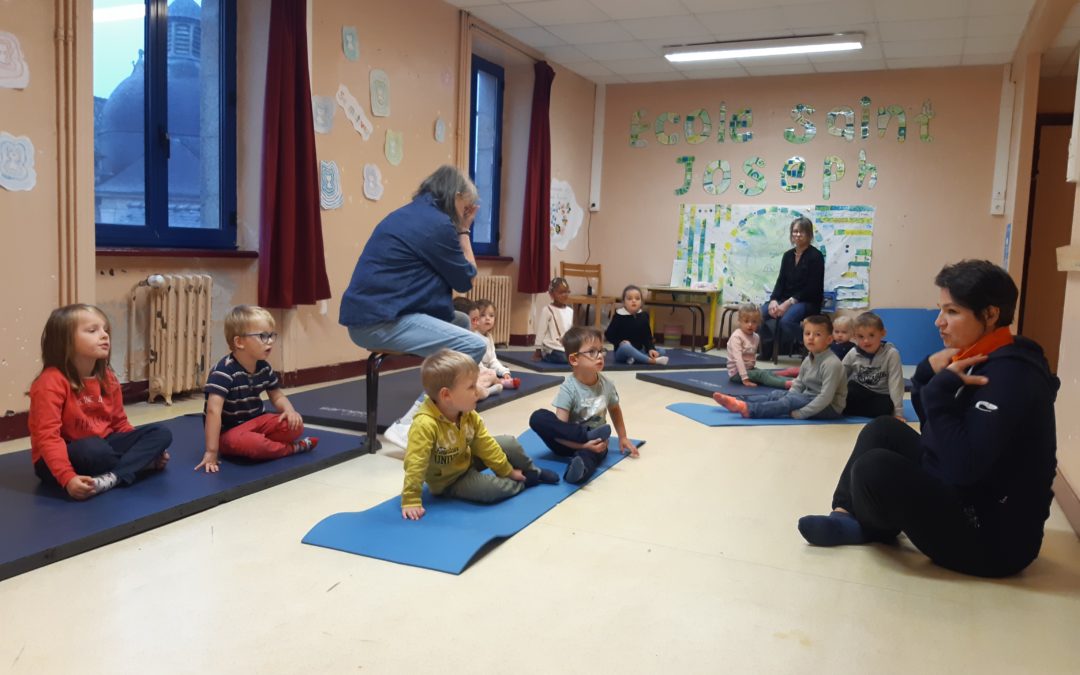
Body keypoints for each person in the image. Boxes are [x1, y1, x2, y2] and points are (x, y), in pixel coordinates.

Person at [798, 260, 1059, 578]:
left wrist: (937, 394)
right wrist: (925, 380)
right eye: (940, 310)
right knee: (883, 429)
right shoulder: (982, 354)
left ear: (990, 315)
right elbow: (940, 434)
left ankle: (872, 528)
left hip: (993, 541)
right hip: (968, 491)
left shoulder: (1011, 377)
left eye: (952, 312)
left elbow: (964, 465)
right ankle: (845, 515)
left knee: (876, 467)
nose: (939, 322)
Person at [340, 165, 488, 445]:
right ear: (455, 197)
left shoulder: (410, 214)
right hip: (379, 322)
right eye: (466, 206)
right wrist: (464, 231)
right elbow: (466, 278)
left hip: (377, 315)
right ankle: (410, 424)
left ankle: (440, 414)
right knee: (475, 345)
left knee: (462, 322)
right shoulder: (437, 224)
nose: (466, 212)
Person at [28, 304, 172, 500]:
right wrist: (68, 478)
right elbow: (48, 437)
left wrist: (137, 444)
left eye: (105, 330)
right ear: (65, 341)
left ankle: (114, 477)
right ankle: (140, 464)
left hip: (104, 444)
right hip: (63, 456)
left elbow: (119, 424)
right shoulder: (50, 382)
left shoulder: (108, 377)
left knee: (161, 433)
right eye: (92, 331)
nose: (104, 335)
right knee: (94, 451)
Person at [400, 349, 558, 520]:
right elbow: (415, 463)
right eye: (471, 387)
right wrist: (411, 499)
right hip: (450, 481)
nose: (478, 390)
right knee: (491, 491)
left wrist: (507, 471)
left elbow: (485, 445)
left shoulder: (467, 413)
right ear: (446, 395)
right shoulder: (424, 425)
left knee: (508, 442)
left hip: (466, 459)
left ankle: (532, 471)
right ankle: (524, 482)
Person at [196, 305, 318, 473]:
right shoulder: (223, 372)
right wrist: (211, 451)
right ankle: (293, 448)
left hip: (256, 421)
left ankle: (269, 445)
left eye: (271, 335)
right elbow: (213, 411)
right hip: (230, 432)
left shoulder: (263, 367)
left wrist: (290, 411)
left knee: (295, 426)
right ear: (239, 342)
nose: (269, 341)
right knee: (254, 444)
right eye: (262, 336)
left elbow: (277, 396)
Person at [528, 326, 638, 484]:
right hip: (567, 442)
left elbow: (615, 409)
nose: (599, 356)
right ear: (574, 360)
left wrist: (623, 437)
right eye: (592, 352)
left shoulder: (607, 384)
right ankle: (584, 435)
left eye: (601, 351)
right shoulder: (569, 388)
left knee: (589, 457)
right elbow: (560, 430)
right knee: (538, 417)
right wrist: (582, 443)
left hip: (596, 443)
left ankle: (577, 471)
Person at [713, 315, 846, 420]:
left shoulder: (831, 363)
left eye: (817, 335)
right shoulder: (809, 359)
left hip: (829, 407)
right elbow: (799, 383)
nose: (811, 338)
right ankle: (738, 401)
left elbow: (826, 397)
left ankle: (749, 409)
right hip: (809, 398)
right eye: (807, 334)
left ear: (829, 340)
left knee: (790, 400)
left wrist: (801, 413)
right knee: (778, 394)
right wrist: (788, 396)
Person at [760, 216, 825, 358]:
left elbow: (812, 288)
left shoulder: (816, 256)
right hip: (784, 299)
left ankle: (810, 347)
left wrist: (788, 303)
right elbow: (781, 281)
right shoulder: (788, 256)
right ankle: (766, 351)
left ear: (809, 234)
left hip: (807, 302)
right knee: (760, 315)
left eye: (802, 232)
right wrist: (773, 300)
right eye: (795, 231)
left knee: (787, 321)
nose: (798, 235)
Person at [841, 312, 905, 420]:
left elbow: (896, 383)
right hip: (860, 391)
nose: (866, 341)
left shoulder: (891, 354)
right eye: (861, 337)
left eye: (871, 335)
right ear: (854, 337)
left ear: (882, 333)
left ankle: (853, 409)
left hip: (880, 395)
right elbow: (840, 375)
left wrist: (898, 412)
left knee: (885, 408)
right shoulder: (853, 353)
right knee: (848, 389)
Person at [725, 303, 791, 389]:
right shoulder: (736, 337)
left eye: (754, 322)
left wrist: (751, 370)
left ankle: (795, 382)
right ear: (740, 321)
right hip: (736, 373)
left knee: (767, 373)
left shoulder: (756, 337)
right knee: (762, 375)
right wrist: (745, 379)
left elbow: (751, 357)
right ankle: (787, 384)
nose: (750, 325)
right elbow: (738, 359)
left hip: (749, 369)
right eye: (746, 321)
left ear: (758, 322)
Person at [605, 284, 669, 366]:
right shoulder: (619, 316)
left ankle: (636, 358)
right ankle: (650, 361)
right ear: (624, 302)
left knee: (661, 351)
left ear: (641, 301)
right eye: (629, 299)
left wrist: (651, 349)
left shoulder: (644, 315)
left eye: (637, 298)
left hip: (639, 350)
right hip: (623, 351)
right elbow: (609, 334)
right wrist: (620, 342)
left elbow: (647, 337)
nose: (634, 301)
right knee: (626, 347)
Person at [473, 298, 519, 390]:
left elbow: (492, 360)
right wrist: (490, 373)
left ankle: (495, 382)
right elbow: (476, 364)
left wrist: (504, 372)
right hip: (476, 370)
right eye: (482, 315)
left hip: (485, 371)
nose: (487, 318)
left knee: (501, 368)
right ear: (475, 319)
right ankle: (493, 386)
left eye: (491, 315)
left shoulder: (489, 337)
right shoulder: (474, 336)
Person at [533, 277, 573, 364]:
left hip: (566, 346)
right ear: (551, 294)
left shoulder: (570, 311)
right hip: (553, 346)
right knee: (563, 358)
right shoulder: (547, 310)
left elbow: (572, 330)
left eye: (567, 292)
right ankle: (547, 356)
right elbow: (541, 330)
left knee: (580, 356)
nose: (565, 295)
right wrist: (538, 350)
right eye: (561, 293)